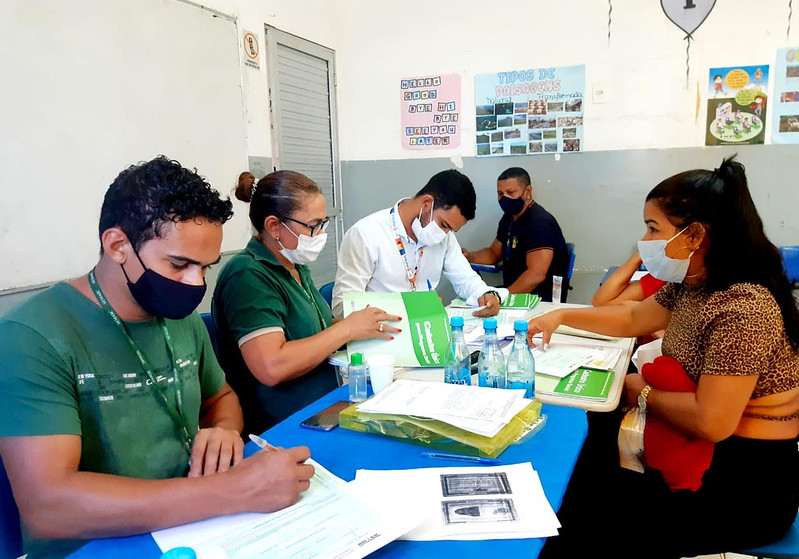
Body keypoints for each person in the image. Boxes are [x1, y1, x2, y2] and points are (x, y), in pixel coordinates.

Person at [0, 157, 315, 558]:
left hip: (195, 524)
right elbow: (49, 507)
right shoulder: (31, 337)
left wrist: (223, 429)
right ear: (118, 246)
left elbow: (220, 398)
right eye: (180, 264)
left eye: (205, 268)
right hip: (100, 546)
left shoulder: (178, 318)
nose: (196, 283)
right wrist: (232, 490)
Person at [530, 157, 799, 559]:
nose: (646, 239)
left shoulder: (743, 308)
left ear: (695, 235)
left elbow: (712, 422)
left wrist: (640, 391)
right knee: (582, 474)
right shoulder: (694, 284)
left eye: (653, 228)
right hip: (698, 457)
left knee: (579, 523)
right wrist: (563, 316)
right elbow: (633, 317)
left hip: (743, 488)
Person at [212, 170, 400, 434]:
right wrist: (346, 329)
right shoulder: (248, 275)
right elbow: (271, 366)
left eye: (323, 224)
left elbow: (313, 330)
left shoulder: (294, 266)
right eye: (313, 226)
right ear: (273, 226)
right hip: (280, 425)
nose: (320, 234)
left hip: (324, 408)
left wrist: (361, 324)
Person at [332, 169, 507, 318]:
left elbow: (465, 279)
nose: (444, 234)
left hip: (426, 329)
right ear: (426, 203)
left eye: (451, 230)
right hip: (380, 334)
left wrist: (487, 294)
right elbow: (342, 307)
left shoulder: (443, 236)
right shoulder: (366, 234)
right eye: (444, 225)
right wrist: (408, 308)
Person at [462, 167, 569, 301]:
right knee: (471, 300)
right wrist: (470, 257)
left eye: (510, 192)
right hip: (514, 292)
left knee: (482, 303)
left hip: (540, 298)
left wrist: (500, 297)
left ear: (528, 191)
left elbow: (536, 276)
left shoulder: (539, 223)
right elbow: (493, 253)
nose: (504, 198)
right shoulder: (509, 218)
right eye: (500, 194)